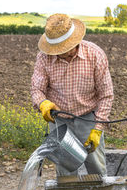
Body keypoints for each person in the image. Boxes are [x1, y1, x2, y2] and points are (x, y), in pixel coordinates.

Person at [31, 13, 114, 177]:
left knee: (96, 167)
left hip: (88, 119)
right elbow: (36, 89)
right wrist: (42, 103)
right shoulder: (43, 58)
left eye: (64, 49)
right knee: (65, 171)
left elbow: (106, 95)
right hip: (59, 121)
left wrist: (97, 129)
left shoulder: (95, 55)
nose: (61, 53)